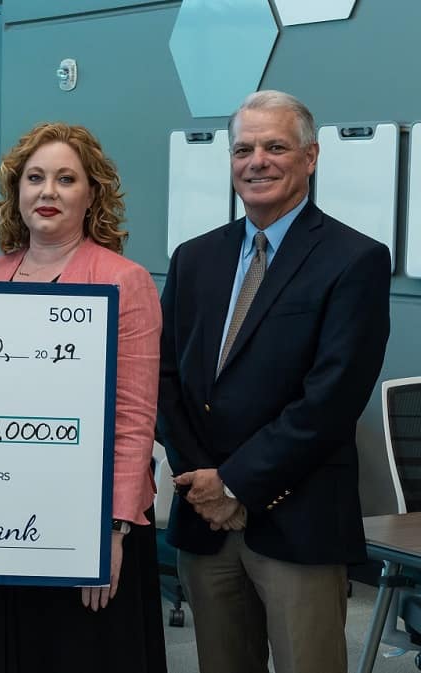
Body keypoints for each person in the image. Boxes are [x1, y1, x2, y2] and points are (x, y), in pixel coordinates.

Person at [159, 90, 391, 673]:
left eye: (275, 146)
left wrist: (234, 484)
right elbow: (164, 380)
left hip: (299, 520)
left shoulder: (354, 259)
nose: (256, 160)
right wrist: (204, 490)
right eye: (243, 148)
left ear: (310, 157)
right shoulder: (193, 259)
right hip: (205, 522)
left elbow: (331, 400)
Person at [0, 122, 166, 673]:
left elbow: (134, 418)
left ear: (91, 193)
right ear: (16, 191)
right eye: (35, 178)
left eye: (66, 179)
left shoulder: (125, 280)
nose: (48, 192)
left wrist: (110, 532)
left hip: (85, 523)